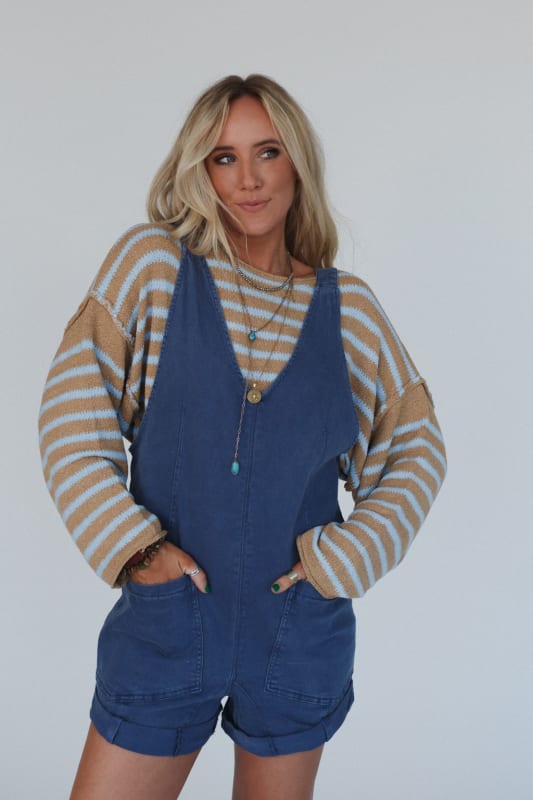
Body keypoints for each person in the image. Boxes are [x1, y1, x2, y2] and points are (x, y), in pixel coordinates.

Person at [37, 74, 447, 800]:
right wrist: (139, 553)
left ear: (298, 163)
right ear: (198, 169)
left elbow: (415, 450)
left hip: (296, 635)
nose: (248, 179)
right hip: (166, 628)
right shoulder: (154, 268)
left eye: (268, 152)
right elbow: (72, 420)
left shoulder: (348, 311)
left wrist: (341, 562)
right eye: (224, 157)